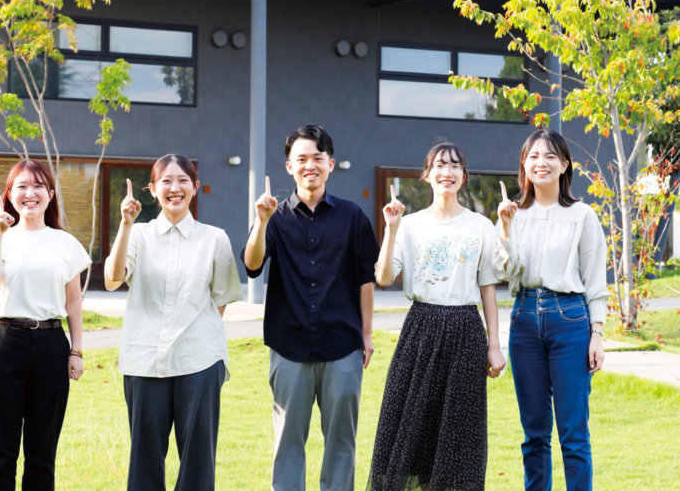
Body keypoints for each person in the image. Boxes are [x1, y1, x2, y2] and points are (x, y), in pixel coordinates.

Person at [242, 124, 380, 491]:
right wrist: (261, 221)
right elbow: (253, 265)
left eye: (317, 158)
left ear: (330, 164)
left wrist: (366, 336)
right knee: (288, 441)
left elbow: (366, 279)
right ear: (289, 167)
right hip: (289, 348)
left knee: (341, 443)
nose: (310, 166)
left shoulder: (352, 217)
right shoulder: (274, 217)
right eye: (301, 159)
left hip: (343, 347)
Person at [368, 142, 506, 491]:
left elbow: (488, 286)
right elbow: (383, 277)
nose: (447, 171)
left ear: (464, 176)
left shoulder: (481, 226)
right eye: (440, 165)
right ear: (427, 175)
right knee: (414, 427)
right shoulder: (409, 224)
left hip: (465, 329)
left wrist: (494, 346)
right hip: (421, 328)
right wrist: (391, 228)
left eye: (455, 165)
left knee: (459, 433)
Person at [104, 154, 242, 491]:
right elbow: (111, 278)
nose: (174, 188)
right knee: (145, 463)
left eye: (183, 180)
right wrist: (124, 224)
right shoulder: (137, 235)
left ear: (195, 188)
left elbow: (220, 301)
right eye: (166, 181)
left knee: (198, 465)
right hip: (144, 363)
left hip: (199, 361)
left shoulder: (215, 239)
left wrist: (193, 335)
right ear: (152, 189)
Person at [493, 128, 607, 491]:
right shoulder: (511, 214)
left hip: (570, 320)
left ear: (564, 165)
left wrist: (598, 334)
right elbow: (504, 272)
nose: (540, 163)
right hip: (524, 320)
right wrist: (507, 229)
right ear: (524, 166)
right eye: (533, 157)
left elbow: (594, 279)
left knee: (573, 433)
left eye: (549, 156)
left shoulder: (582, 216)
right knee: (534, 435)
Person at [0, 159, 91, 491]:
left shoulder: (65, 243)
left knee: (42, 455)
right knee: (1, 453)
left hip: (50, 346)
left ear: (50, 195)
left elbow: (73, 303)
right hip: (3, 344)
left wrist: (76, 351)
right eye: (22, 186)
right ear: (10, 195)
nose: (30, 193)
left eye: (38, 186)